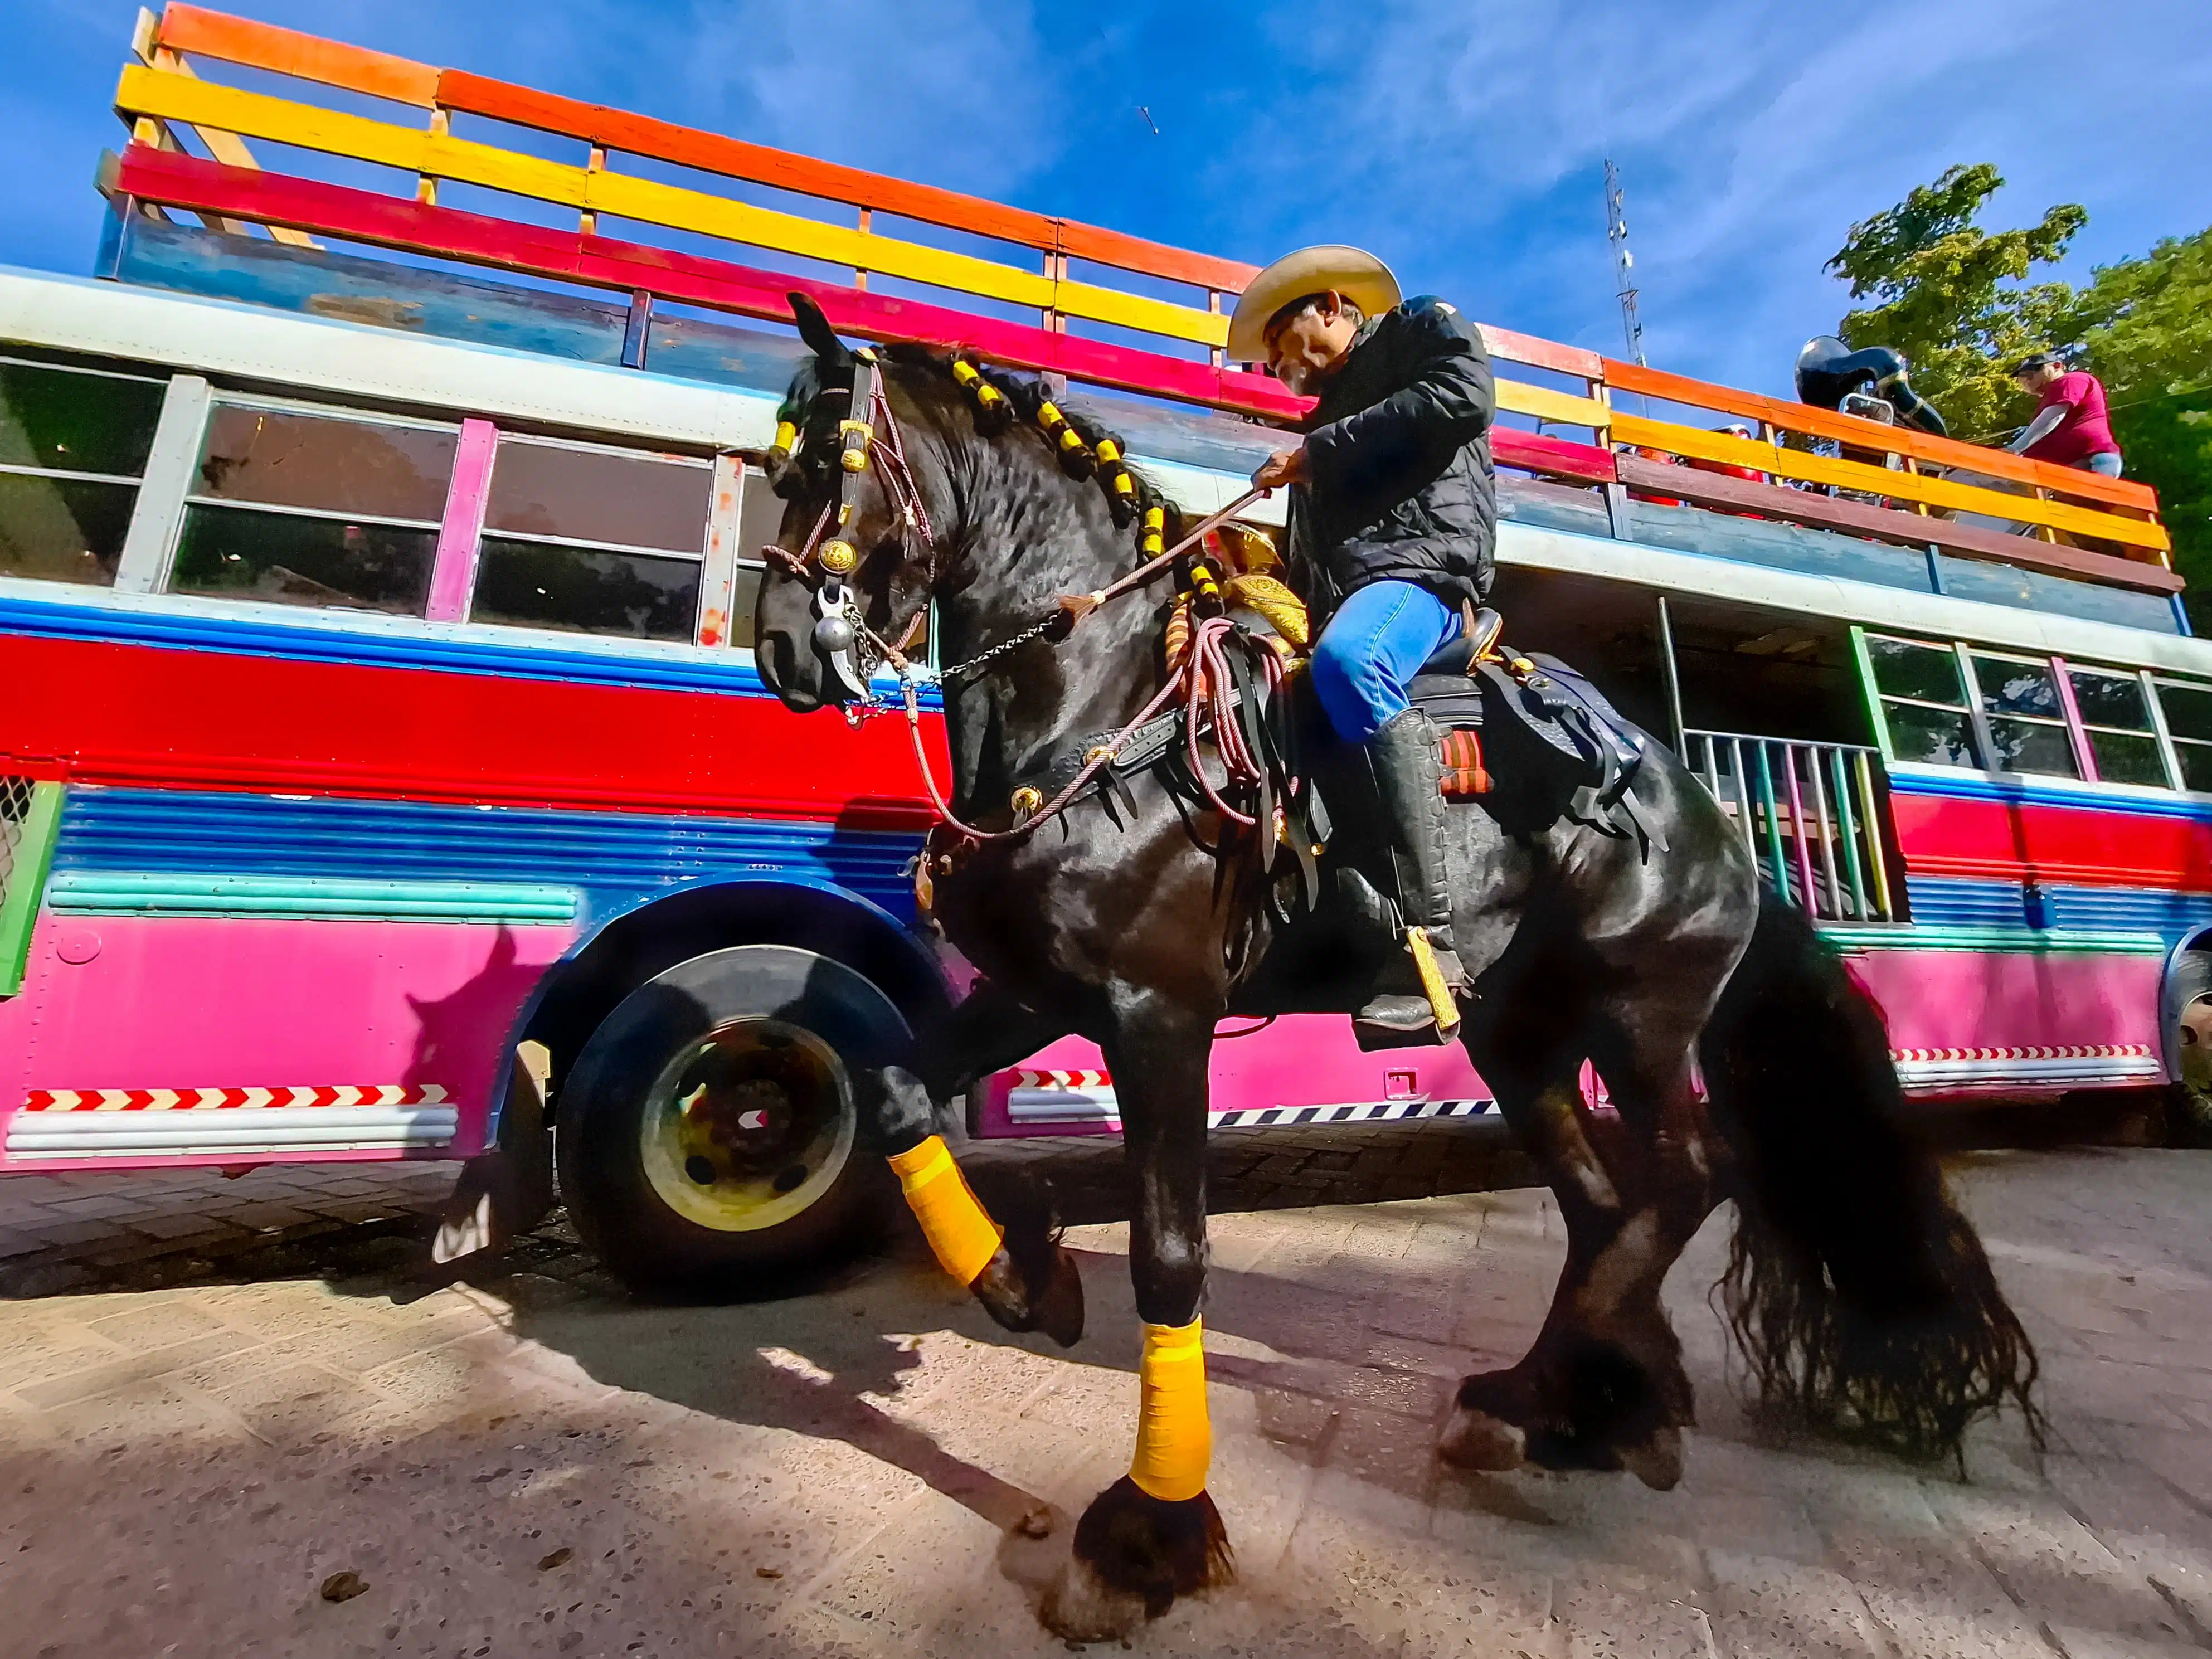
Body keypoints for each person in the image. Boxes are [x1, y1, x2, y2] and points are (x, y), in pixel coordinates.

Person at [1231, 245, 1495, 1040]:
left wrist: (1318, 454)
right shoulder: (1323, 428)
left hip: (1425, 579)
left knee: (1355, 661)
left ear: (1332, 306)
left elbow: (1464, 398)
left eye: (1282, 345)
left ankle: (1432, 943)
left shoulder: (1424, 324)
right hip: (1354, 596)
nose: (1280, 368)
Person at [2007, 352, 2122, 477]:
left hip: (2091, 460)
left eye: (2031, 374)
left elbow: (2054, 416)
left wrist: (2014, 450)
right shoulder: (2048, 400)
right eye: (2023, 378)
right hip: (2066, 468)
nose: (2028, 381)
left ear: (2057, 366)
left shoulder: (2072, 380)